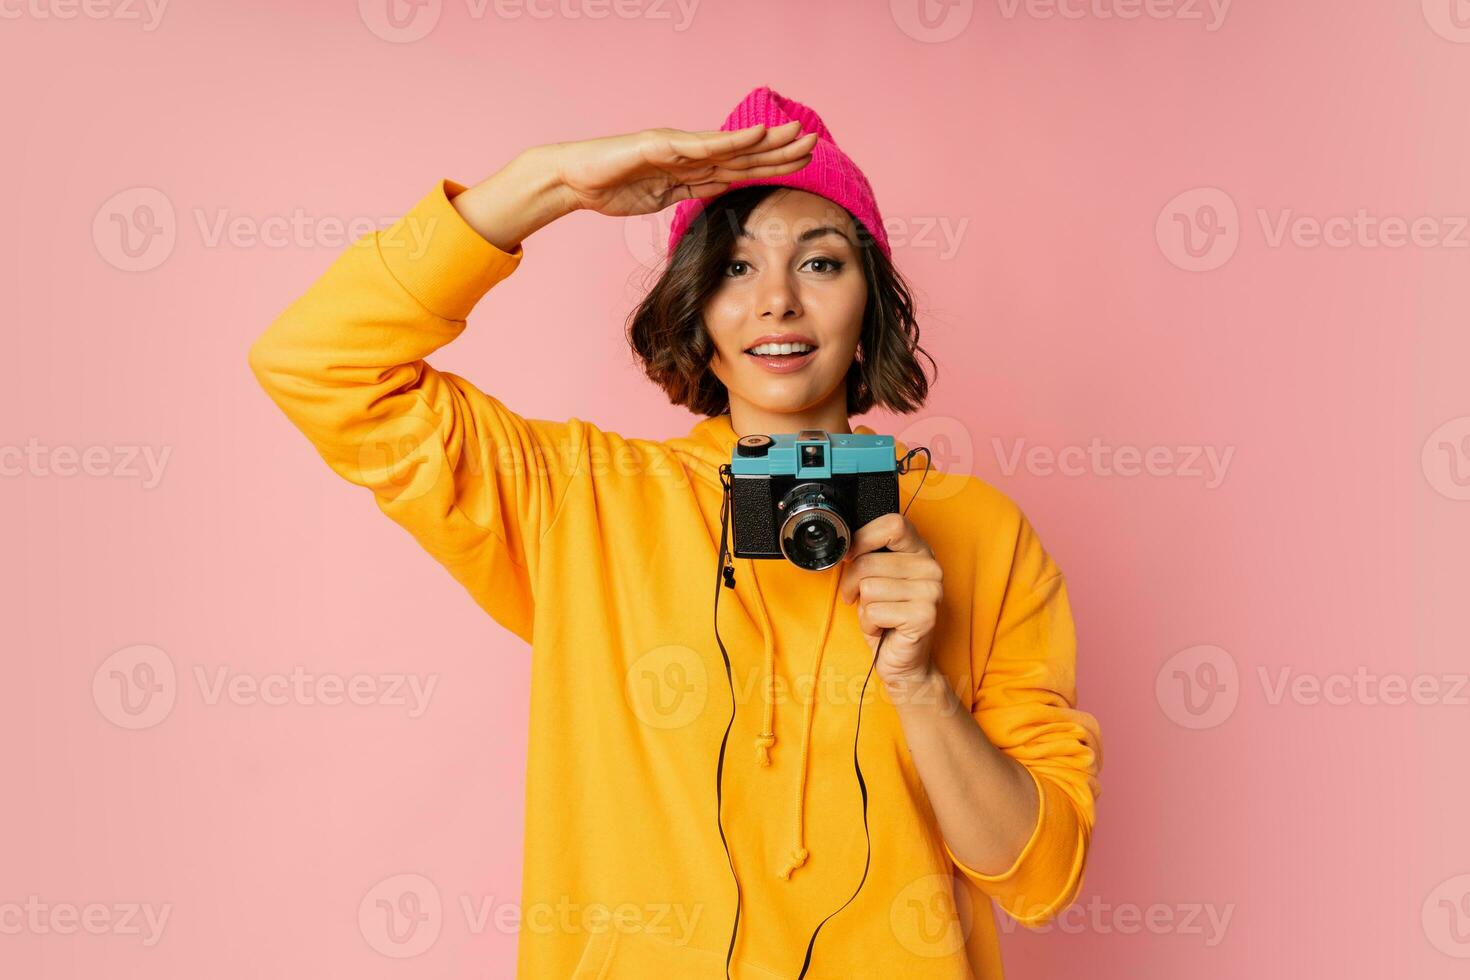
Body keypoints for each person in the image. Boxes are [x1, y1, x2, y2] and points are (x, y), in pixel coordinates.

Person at [248, 85, 1102, 979]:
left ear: (871, 304)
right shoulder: (584, 503)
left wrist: (919, 684)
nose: (777, 301)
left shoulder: (980, 533)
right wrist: (548, 185)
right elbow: (316, 362)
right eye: (735, 267)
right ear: (694, 308)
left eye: (819, 263)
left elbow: (1040, 877)